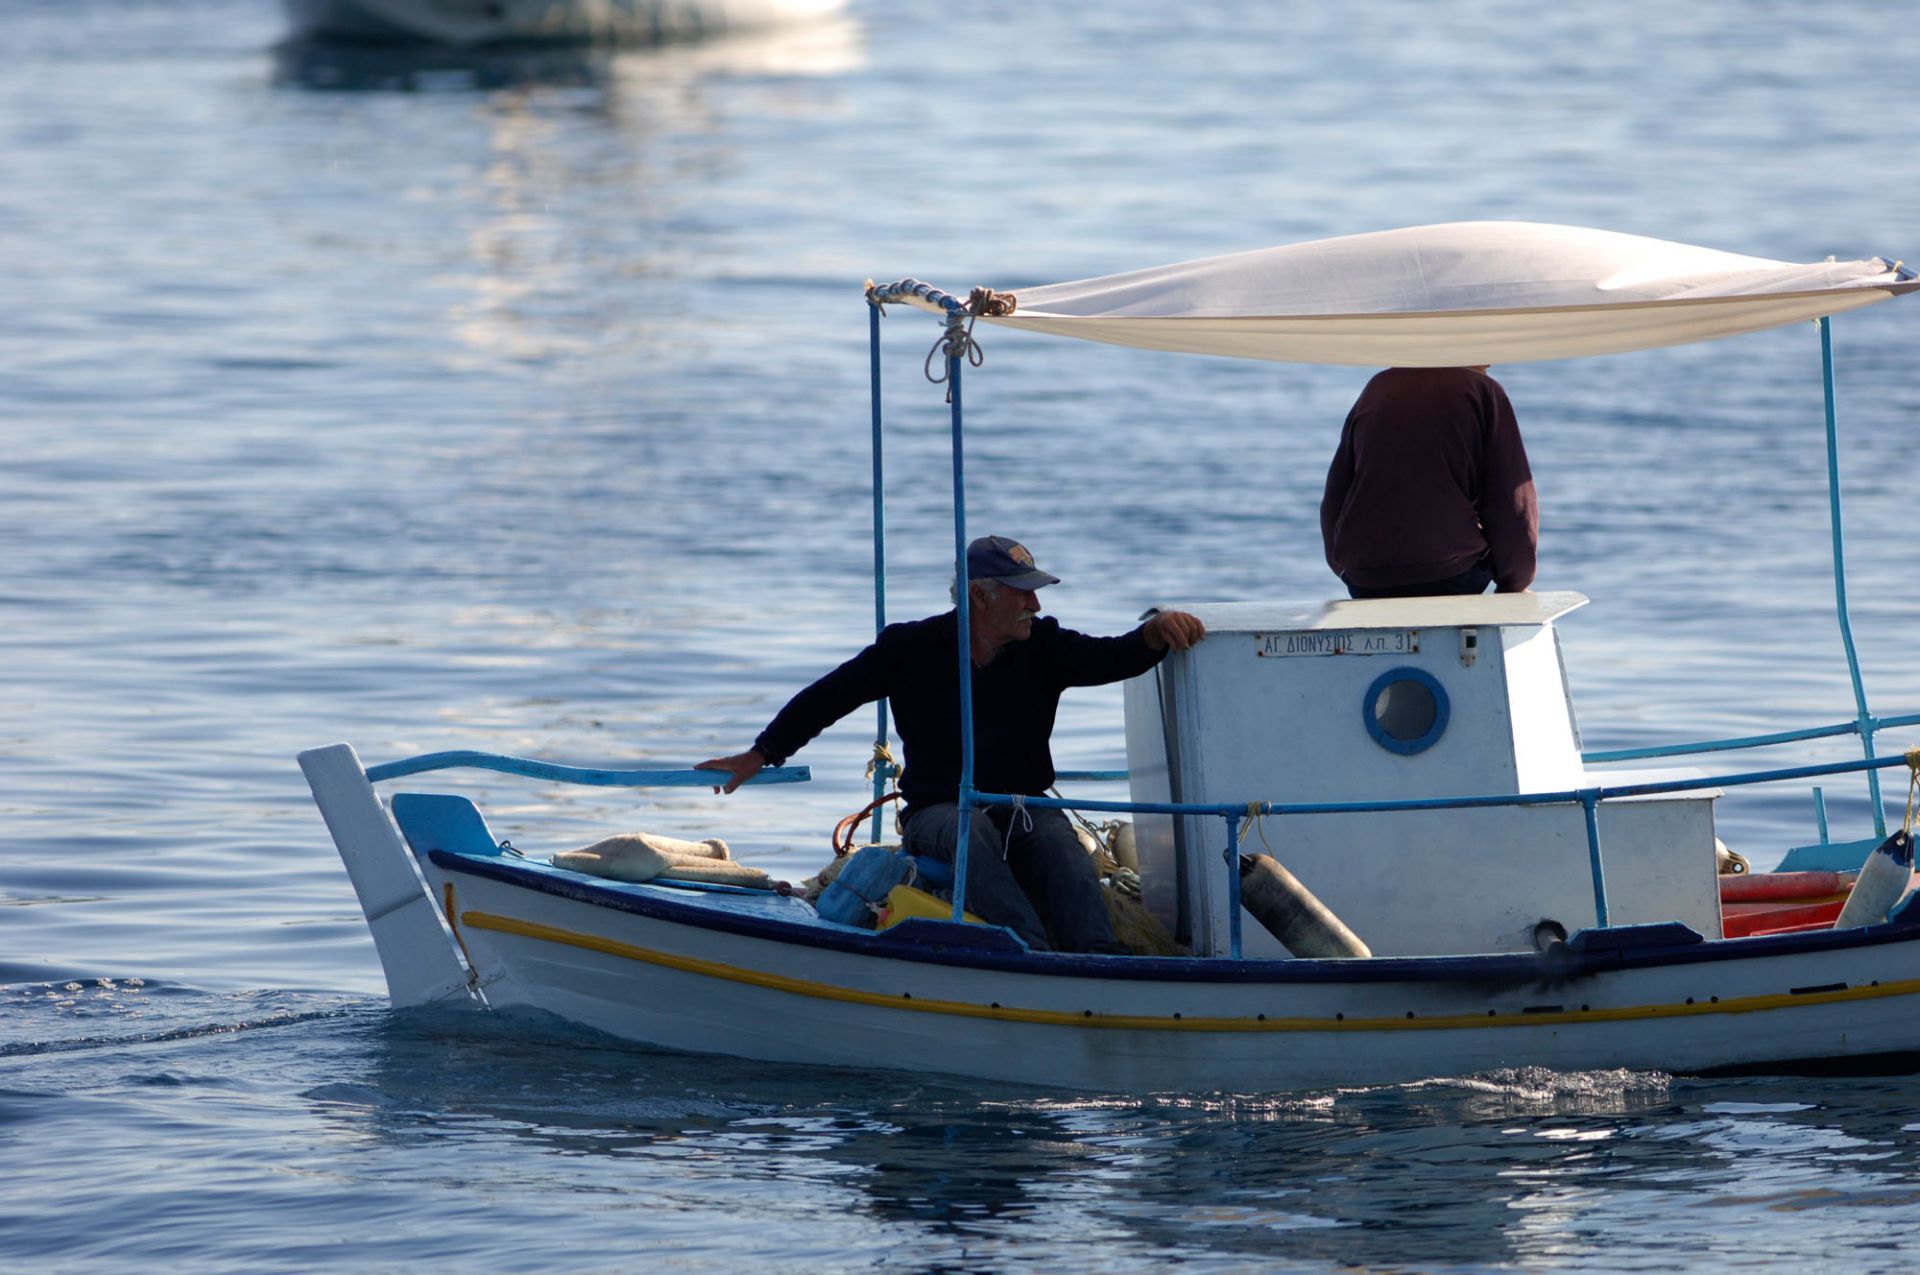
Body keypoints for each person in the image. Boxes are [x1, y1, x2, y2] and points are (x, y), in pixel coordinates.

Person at [699, 535, 1206, 954]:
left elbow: (1111, 658)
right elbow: (828, 697)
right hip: (938, 811)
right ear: (981, 596)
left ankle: (1098, 959)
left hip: (1024, 808)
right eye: (1022, 592)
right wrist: (762, 752)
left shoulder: (1044, 645)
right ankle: (1025, 949)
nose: (1036, 604)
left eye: (1035, 592)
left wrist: (1154, 633)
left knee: (1059, 844)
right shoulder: (909, 648)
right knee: (971, 829)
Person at [1319, 365, 1538, 598]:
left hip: (1365, 578)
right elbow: (1512, 501)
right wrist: (1514, 583)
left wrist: (1345, 568)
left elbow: (1335, 497)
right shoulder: (1483, 391)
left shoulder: (1378, 387)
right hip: (1450, 576)